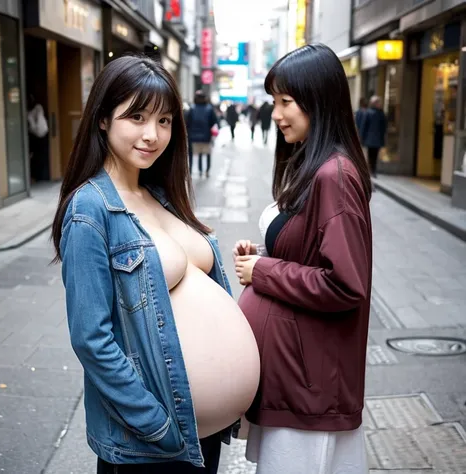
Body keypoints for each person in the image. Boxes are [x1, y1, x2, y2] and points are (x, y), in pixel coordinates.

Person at [51, 55, 260, 474]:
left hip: (200, 437)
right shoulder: (89, 210)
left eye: (164, 120)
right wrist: (157, 424)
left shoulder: (161, 193)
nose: (153, 134)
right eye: (138, 117)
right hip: (153, 443)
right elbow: (92, 339)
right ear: (104, 120)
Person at [233, 43, 372, 474]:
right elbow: (313, 252)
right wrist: (265, 254)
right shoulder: (314, 165)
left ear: (319, 100)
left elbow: (344, 284)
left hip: (309, 381)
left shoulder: (335, 175)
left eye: (286, 102)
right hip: (297, 375)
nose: (276, 114)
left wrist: (264, 271)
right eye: (275, 101)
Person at [187, 91, 218, 178]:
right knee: (207, 153)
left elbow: (187, 123)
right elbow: (214, 121)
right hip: (206, 136)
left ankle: (194, 171)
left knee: (195, 154)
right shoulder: (209, 109)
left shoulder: (192, 109)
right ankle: (207, 170)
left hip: (193, 137)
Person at [361, 95, 387, 178]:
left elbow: (363, 127)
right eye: (378, 103)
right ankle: (372, 170)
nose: (380, 104)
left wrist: (362, 137)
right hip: (375, 139)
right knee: (373, 156)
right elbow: (384, 127)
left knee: (371, 155)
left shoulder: (370, 113)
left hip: (371, 139)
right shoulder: (380, 113)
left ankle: (371, 170)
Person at [27, 94, 49, 181]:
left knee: (39, 158)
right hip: (36, 136)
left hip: (38, 136)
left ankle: (40, 177)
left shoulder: (37, 108)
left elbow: (38, 129)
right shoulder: (33, 110)